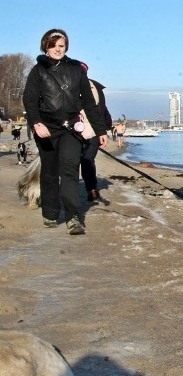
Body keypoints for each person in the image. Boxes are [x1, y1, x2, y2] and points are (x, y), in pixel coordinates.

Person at [22, 28, 108, 234]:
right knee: (50, 172)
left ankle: (73, 217)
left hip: (71, 128)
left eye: (61, 46)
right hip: (46, 129)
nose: (57, 49)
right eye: (53, 45)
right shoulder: (38, 70)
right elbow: (30, 100)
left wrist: (100, 130)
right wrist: (36, 122)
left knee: (69, 169)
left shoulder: (76, 69)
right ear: (46, 46)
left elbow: (88, 102)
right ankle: (50, 213)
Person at [78, 62, 113, 203]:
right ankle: (92, 188)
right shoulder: (96, 87)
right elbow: (103, 110)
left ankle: (75, 189)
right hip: (94, 130)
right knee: (88, 160)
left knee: (74, 161)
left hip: (76, 130)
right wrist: (104, 130)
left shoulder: (69, 86)